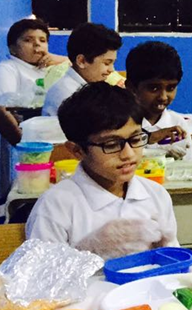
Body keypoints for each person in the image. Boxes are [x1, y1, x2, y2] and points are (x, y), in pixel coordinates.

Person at [26, 83, 178, 259]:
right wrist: (89, 251)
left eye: (136, 139)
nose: (128, 154)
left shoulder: (156, 194)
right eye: (111, 145)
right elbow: (40, 273)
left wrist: (167, 254)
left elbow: (174, 264)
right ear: (77, 150)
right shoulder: (55, 206)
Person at [0, 17, 69, 145]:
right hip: (32, 140)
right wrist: (23, 143)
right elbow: (1, 107)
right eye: (28, 40)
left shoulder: (53, 67)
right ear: (12, 49)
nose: (37, 44)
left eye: (42, 40)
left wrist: (63, 60)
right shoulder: (8, 68)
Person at [125, 41, 192, 162]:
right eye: (153, 88)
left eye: (171, 88)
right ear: (132, 88)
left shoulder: (178, 123)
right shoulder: (120, 123)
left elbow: (191, 166)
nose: (163, 97)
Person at [43, 22, 122, 116]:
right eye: (106, 63)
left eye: (113, 63)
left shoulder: (92, 88)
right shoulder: (67, 96)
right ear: (82, 61)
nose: (111, 70)